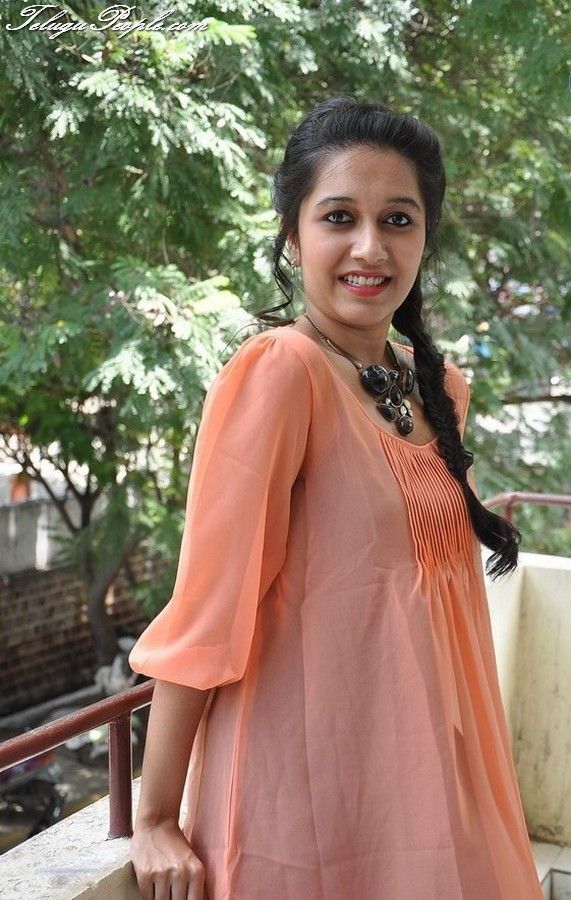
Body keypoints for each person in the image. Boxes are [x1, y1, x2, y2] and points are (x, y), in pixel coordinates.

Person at [128, 96, 544, 900]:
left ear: (424, 237)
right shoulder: (281, 373)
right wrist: (154, 817)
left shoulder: (437, 387)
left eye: (397, 220)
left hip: (432, 790)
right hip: (305, 800)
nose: (369, 247)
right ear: (293, 236)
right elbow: (207, 611)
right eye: (338, 217)